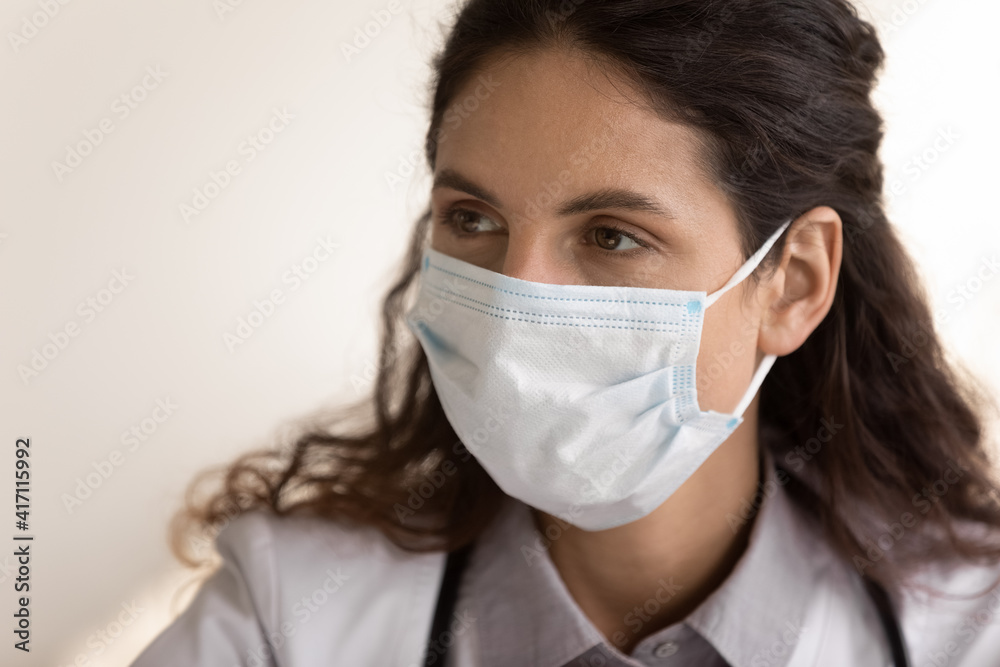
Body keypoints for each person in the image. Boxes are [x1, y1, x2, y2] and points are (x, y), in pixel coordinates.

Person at [131, 1, 1000, 665]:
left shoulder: (971, 624)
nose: (514, 303)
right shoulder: (291, 616)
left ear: (794, 282)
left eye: (612, 235)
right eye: (472, 219)